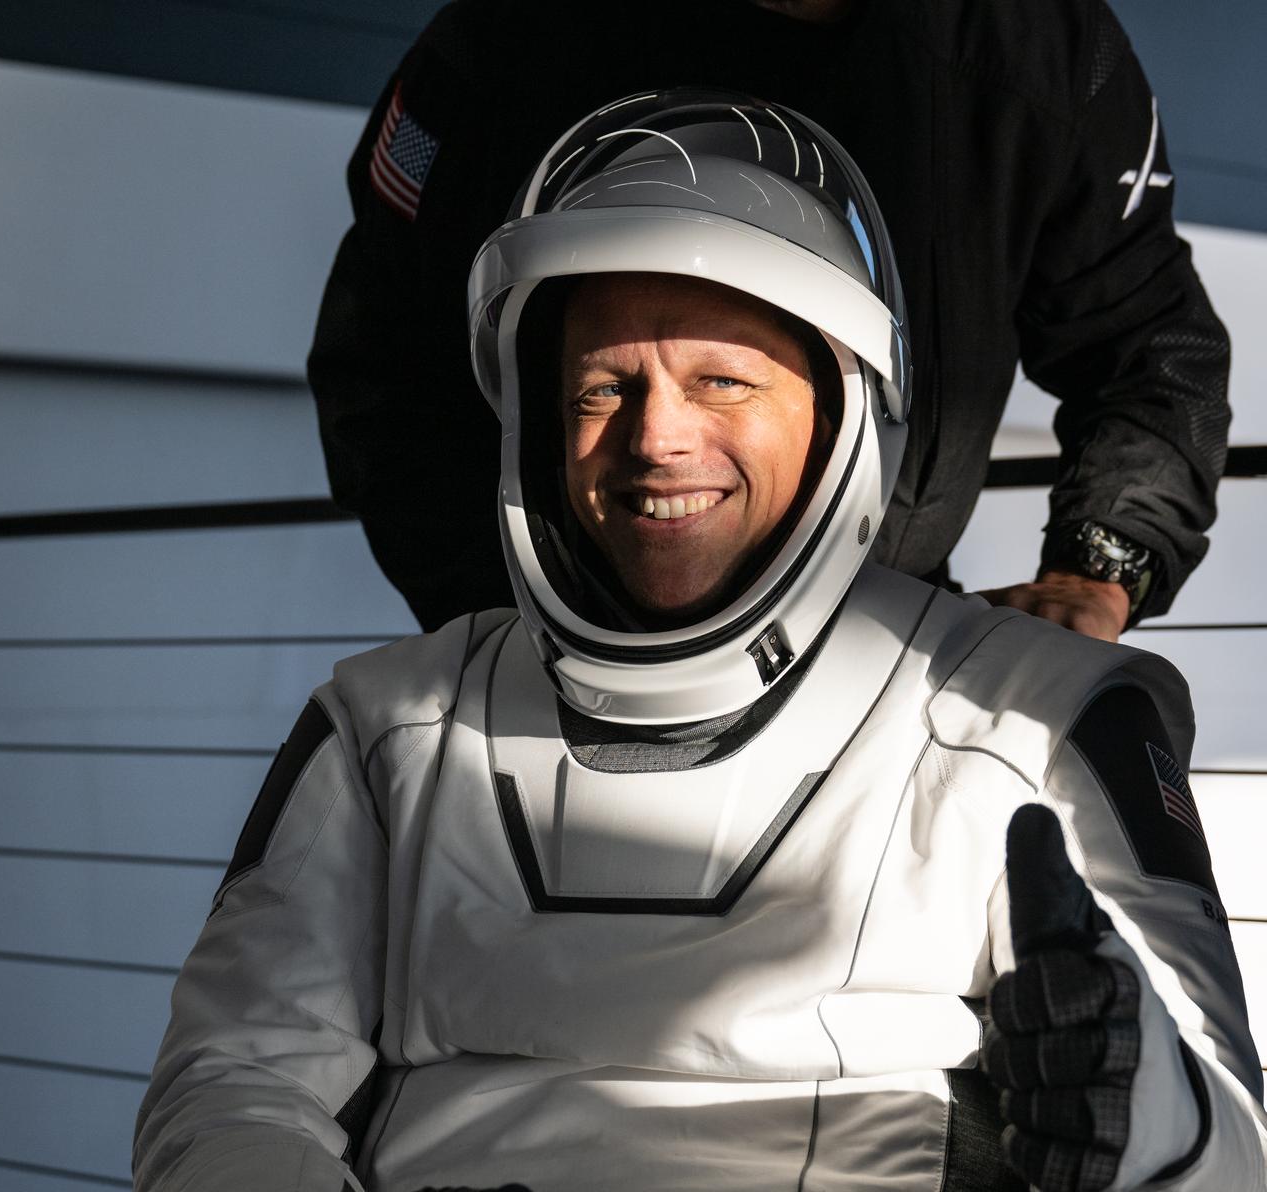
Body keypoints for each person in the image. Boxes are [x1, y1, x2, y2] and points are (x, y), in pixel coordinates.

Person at [137, 94, 1264, 1192]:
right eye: (600, 387)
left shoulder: (1038, 714)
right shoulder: (389, 727)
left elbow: (1228, 1145)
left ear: (841, 410)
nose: (655, 437)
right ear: (535, 423)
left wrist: (1140, 1110)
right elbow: (234, 1084)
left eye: (721, 381)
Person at [308, 0, 1231, 643]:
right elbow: (381, 368)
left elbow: (1152, 353)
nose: (665, 437)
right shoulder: (496, 48)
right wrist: (512, 629)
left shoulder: (1043, 52)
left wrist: (1096, 568)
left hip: (887, 643)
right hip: (559, 656)